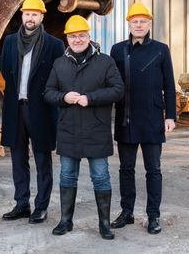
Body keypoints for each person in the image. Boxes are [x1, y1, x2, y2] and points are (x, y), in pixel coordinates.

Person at [44, 15, 124, 240]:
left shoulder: (105, 62)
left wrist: (91, 98)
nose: (77, 40)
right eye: (72, 36)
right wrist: (63, 97)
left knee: (101, 177)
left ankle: (104, 224)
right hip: (68, 130)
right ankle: (65, 220)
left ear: (89, 36)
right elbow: (48, 92)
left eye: (81, 35)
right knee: (67, 176)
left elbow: (118, 89)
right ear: (67, 39)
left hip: (96, 130)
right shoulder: (59, 64)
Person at [109, 2, 176, 235]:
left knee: (153, 170)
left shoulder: (161, 49)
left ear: (149, 24)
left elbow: (169, 85)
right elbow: (110, 83)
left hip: (152, 119)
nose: (139, 25)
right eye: (135, 21)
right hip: (125, 117)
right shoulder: (117, 50)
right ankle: (126, 212)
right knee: (126, 169)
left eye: (143, 22)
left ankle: (153, 215)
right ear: (129, 24)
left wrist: (170, 116)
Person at [0, 0, 64, 224]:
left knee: (42, 158)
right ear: (22, 16)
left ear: (41, 17)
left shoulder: (54, 45)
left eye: (35, 14)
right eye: (27, 14)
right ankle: (21, 204)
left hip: (41, 110)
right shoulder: (9, 42)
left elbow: (59, 79)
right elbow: (5, 70)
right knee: (18, 158)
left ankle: (41, 206)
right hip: (15, 108)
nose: (30, 18)